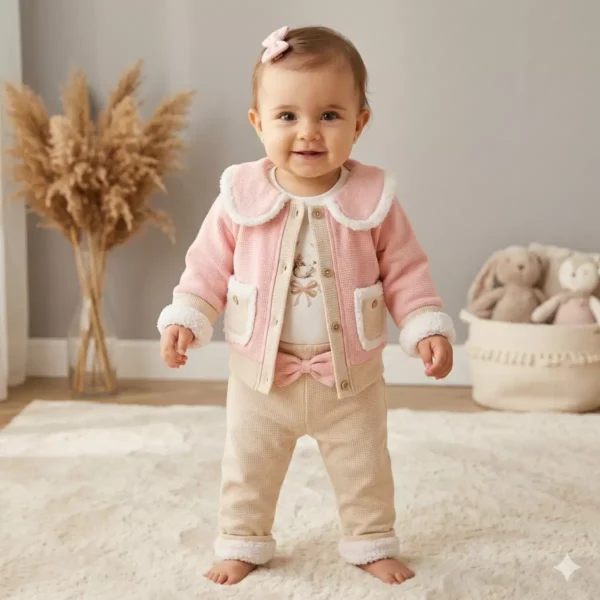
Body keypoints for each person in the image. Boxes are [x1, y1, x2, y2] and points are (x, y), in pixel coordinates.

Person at [158, 25, 455, 586]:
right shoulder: (241, 196)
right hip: (261, 378)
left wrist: (424, 326)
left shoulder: (373, 200)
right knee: (247, 465)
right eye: (287, 116)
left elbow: (406, 271)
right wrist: (188, 316)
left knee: (366, 465)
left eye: (330, 115)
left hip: (350, 380)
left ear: (360, 123)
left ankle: (370, 541)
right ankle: (243, 539)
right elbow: (206, 267)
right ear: (258, 123)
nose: (308, 132)